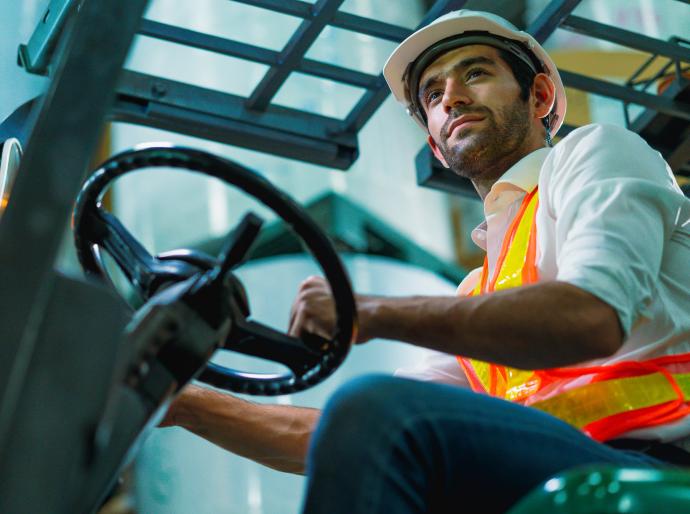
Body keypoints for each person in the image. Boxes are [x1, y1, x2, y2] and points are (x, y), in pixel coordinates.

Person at [161, 10, 690, 513]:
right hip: (551, 476)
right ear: (436, 147)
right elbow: (336, 436)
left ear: (541, 96)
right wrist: (183, 403)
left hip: (660, 465)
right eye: (432, 95)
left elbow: (591, 315)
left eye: (475, 73)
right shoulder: (479, 290)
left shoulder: (596, 154)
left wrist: (368, 313)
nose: (451, 99)